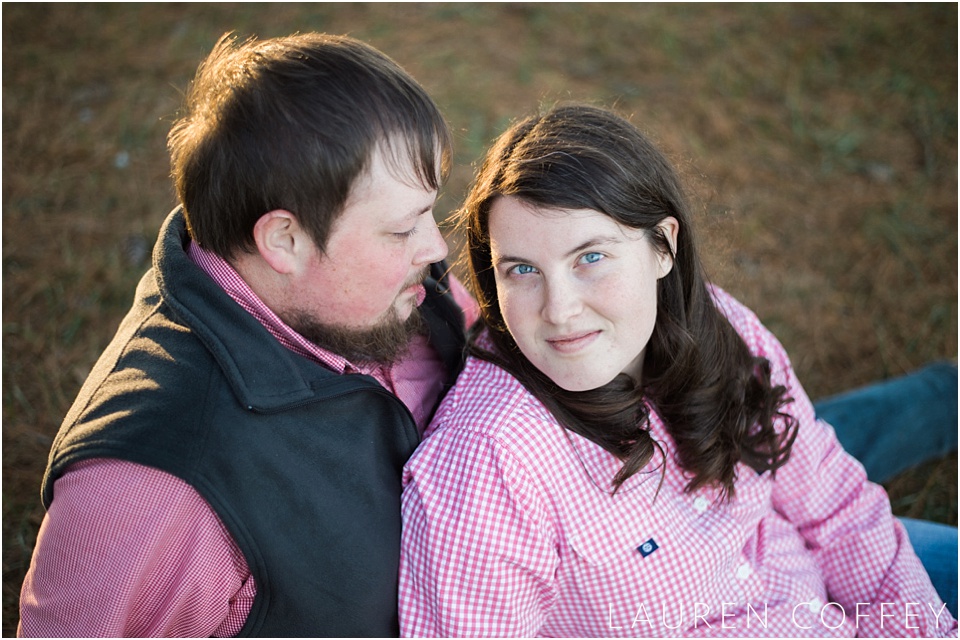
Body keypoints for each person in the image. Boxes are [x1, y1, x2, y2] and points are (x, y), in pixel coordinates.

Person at [398, 104, 958, 637]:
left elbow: (838, 510)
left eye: (590, 257)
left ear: (662, 247)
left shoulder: (716, 324)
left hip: (808, 588)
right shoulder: (490, 467)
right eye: (521, 269)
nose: (559, 310)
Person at [18, 32, 478, 637]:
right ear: (283, 241)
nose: (436, 246)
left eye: (428, 211)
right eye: (400, 230)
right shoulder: (155, 488)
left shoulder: (392, 290)